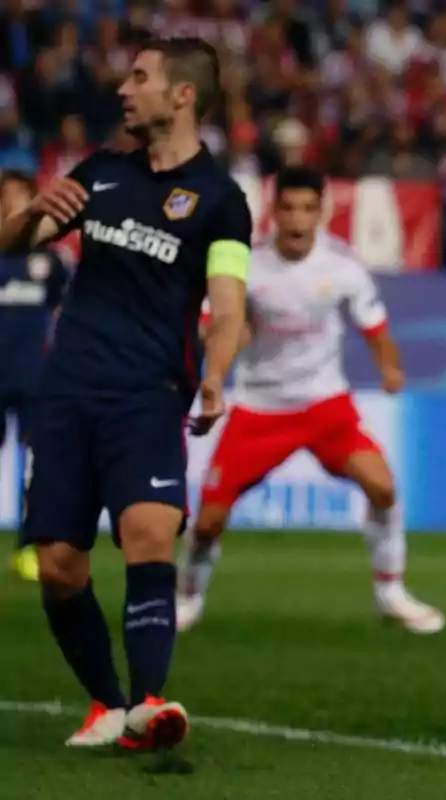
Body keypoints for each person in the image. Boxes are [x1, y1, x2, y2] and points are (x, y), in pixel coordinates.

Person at [1, 37, 252, 750]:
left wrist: (215, 373)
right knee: (57, 565)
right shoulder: (102, 172)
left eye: (139, 77)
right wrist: (30, 214)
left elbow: (228, 304)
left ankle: (149, 704)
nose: (122, 89)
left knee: (148, 533)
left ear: (181, 95)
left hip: (147, 393)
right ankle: (106, 704)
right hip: (66, 392)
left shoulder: (221, 202)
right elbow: (19, 240)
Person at [175, 166, 444, 635]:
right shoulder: (248, 265)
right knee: (208, 522)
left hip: (325, 407)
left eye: (307, 209)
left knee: (382, 487)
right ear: (273, 212)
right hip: (260, 408)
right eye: (288, 208)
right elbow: (211, 324)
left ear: (322, 213)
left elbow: (374, 325)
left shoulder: (342, 266)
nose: (298, 220)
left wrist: (390, 368)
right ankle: (187, 599)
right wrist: (226, 336)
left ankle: (391, 592)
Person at [0, 172, 69, 582]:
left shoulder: (51, 262)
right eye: (5, 198)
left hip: (34, 378)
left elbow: (63, 313)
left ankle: (28, 545)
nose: (13, 206)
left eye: (21, 199)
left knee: (36, 466)